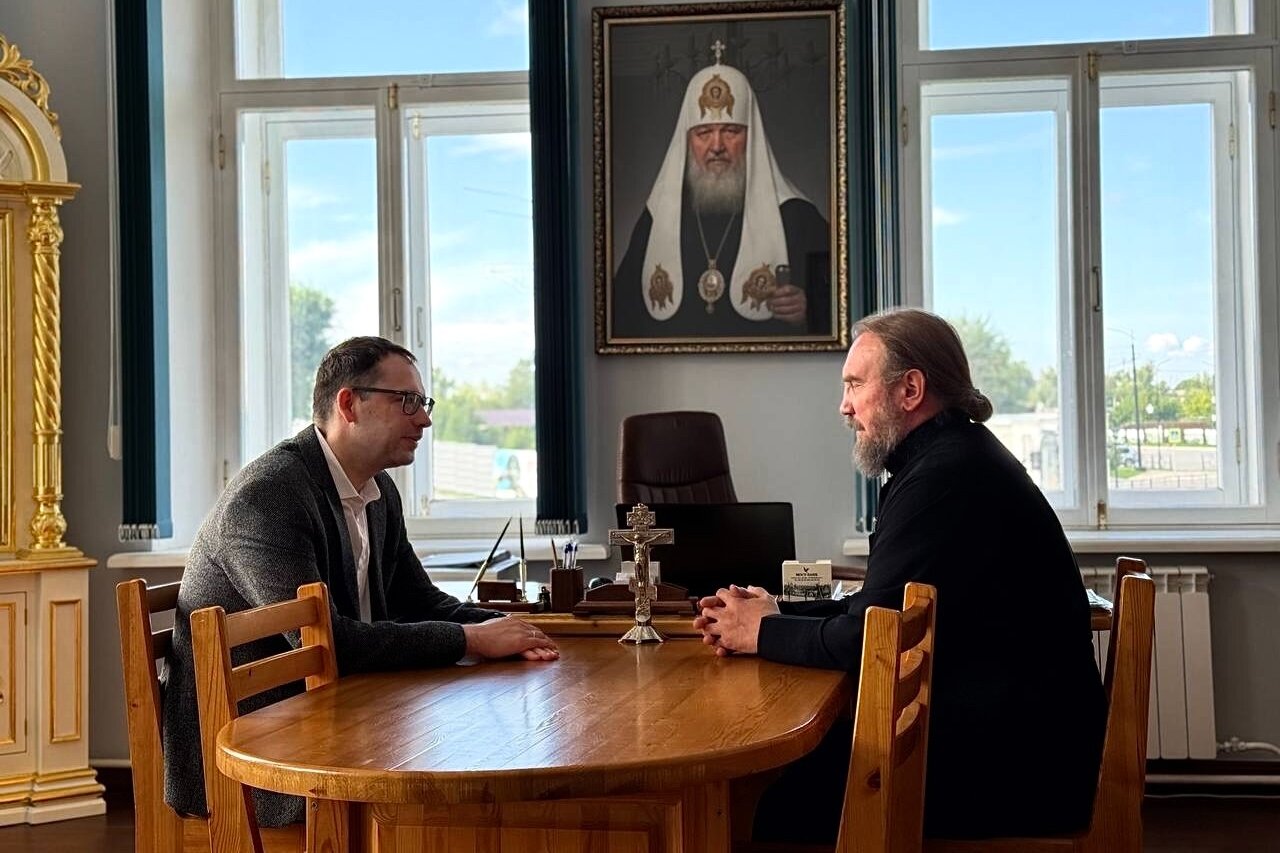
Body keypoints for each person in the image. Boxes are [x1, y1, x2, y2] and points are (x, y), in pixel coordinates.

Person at [694, 308, 1106, 842]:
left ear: (910, 389)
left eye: (855, 385)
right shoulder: (950, 457)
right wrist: (775, 612)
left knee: (781, 804)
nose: (844, 407)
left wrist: (761, 631)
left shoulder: (944, 478)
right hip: (1019, 737)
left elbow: (871, 637)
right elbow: (881, 606)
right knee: (797, 777)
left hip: (1020, 766)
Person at [162, 336, 558, 827]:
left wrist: (516, 629)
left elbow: (420, 600)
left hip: (342, 717)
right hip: (256, 758)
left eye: (424, 402)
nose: (424, 420)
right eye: (407, 401)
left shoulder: (378, 489)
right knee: (471, 796)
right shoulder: (267, 499)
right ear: (348, 404)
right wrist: (473, 638)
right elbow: (328, 643)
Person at [611, 46, 831, 339]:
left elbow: (846, 310)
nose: (716, 146)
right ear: (688, 143)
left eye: (730, 131)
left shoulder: (796, 216)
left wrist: (809, 310)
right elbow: (620, 318)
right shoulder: (656, 219)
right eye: (704, 133)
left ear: (750, 139)